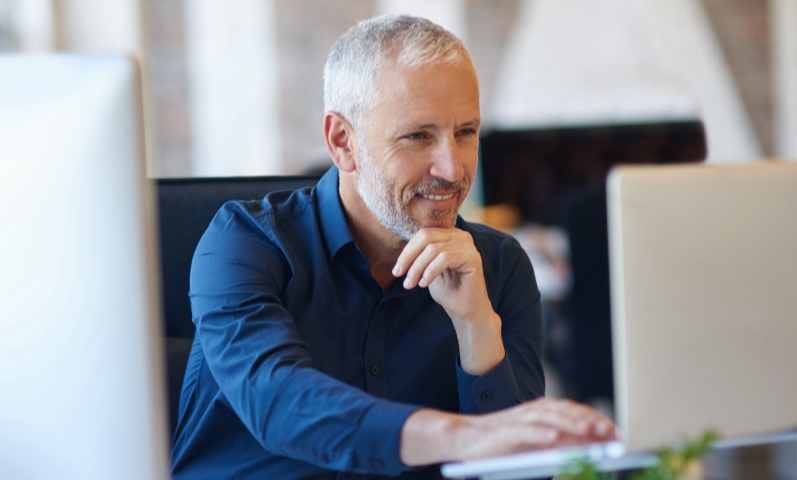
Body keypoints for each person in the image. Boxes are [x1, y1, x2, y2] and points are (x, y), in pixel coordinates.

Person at [170, 14, 615, 479]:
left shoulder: (498, 266)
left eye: (465, 132)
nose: (453, 167)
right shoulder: (244, 243)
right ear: (343, 142)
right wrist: (464, 437)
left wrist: (476, 325)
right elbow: (280, 401)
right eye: (419, 136)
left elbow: (518, 468)